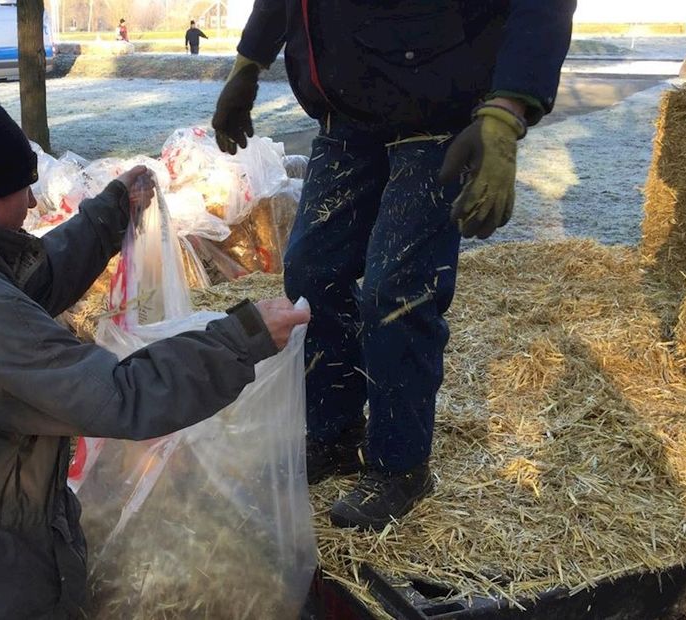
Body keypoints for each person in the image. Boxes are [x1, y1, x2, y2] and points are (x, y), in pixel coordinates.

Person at [0, 88, 310, 618]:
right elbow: (118, 397)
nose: (33, 204)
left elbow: (36, 278)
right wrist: (244, 338)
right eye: (22, 190)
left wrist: (111, 212)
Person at [213, 2, 575, 531]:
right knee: (312, 273)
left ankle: (400, 465)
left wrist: (507, 108)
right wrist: (248, 62)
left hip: (437, 111)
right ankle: (333, 432)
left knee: (396, 290)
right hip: (346, 116)